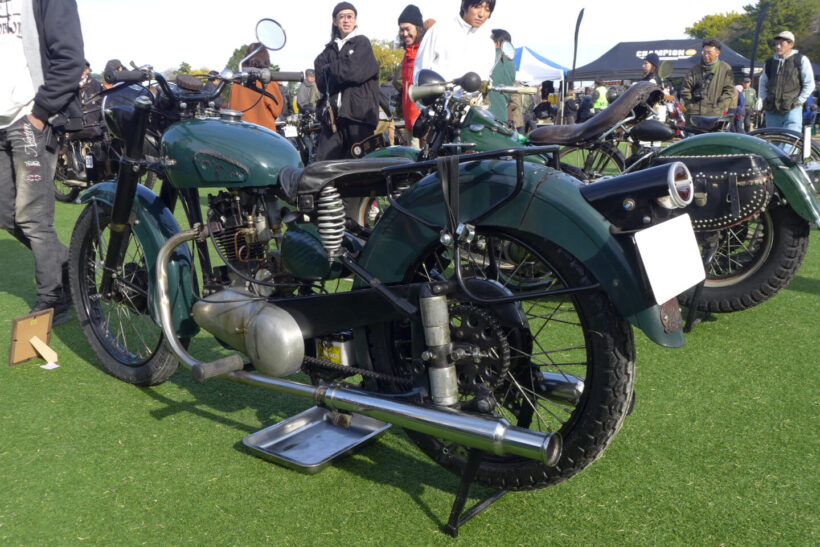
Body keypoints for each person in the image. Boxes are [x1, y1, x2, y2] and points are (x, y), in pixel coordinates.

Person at [1, 0, 85, 324]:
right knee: (5, 213)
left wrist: (40, 112)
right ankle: (74, 264)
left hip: (29, 119)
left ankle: (53, 298)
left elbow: (70, 58)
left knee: (34, 216)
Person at [314, 2, 380, 160]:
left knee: (361, 167)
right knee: (324, 165)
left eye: (350, 16)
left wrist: (330, 69)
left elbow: (354, 72)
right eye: (341, 17)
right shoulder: (328, 51)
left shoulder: (362, 43)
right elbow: (321, 81)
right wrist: (343, 67)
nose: (346, 20)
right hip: (332, 119)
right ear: (334, 21)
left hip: (359, 117)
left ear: (355, 20)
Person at [413, 0, 497, 84]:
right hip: (438, 92)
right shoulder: (440, 29)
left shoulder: (488, 44)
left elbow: (484, 78)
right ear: (464, 4)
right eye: (477, 7)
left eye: (487, 9)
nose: (481, 14)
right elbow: (420, 69)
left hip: (472, 93)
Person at [760, 30, 815, 132]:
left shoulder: (801, 60)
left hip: (792, 109)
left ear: (791, 44)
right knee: (773, 139)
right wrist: (764, 99)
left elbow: (809, 84)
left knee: (791, 138)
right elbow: (763, 83)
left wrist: (799, 102)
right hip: (772, 110)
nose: (778, 46)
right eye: (776, 44)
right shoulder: (769, 62)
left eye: (782, 44)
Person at [228, 43, 284, 132]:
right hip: (263, 133)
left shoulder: (236, 81)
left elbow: (232, 106)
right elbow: (277, 110)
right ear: (265, 59)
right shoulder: (268, 82)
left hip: (239, 132)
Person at [680, 38, 734, 120]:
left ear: (717, 53)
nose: (706, 55)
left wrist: (719, 107)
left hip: (714, 115)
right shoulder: (694, 69)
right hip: (694, 115)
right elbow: (685, 89)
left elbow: (729, 91)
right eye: (704, 52)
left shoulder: (725, 69)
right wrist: (690, 106)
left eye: (709, 52)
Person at [397, 4, 426, 144]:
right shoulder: (407, 53)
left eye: (408, 29)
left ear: (418, 29)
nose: (404, 34)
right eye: (401, 30)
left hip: (424, 120)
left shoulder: (425, 51)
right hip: (409, 119)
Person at [488, 28, 515, 123]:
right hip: (504, 115)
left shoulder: (489, 57)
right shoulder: (512, 62)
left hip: (487, 114)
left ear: (498, 43)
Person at [80, 60, 103, 127]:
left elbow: (101, 102)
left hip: (92, 119)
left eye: (84, 69)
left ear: (87, 70)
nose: (82, 71)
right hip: (76, 120)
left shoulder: (95, 83)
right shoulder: (71, 83)